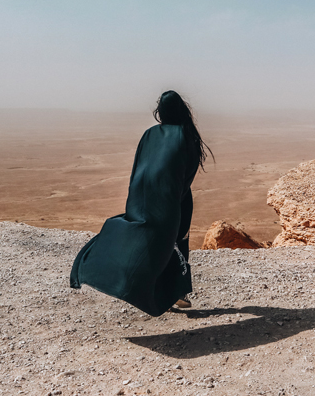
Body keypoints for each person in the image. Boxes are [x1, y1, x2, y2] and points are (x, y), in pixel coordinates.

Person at [69, 90, 212, 316]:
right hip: (176, 199)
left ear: (161, 112)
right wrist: (175, 199)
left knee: (149, 243)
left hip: (143, 199)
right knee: (176, 244)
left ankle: (144, 286)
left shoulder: (149, 134)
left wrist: (136, 203)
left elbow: (139, 169)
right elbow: (188, 173)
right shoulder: (187, 135)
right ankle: (174, 293)